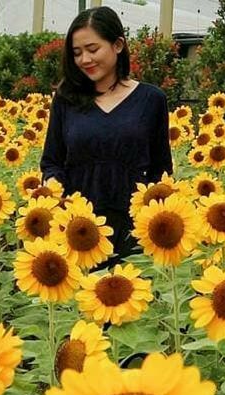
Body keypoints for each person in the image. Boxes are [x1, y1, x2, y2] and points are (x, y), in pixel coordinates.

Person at [40, 6, 173, 260]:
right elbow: (52, 161)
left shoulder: (151, 99)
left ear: (118, 45)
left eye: (92, 49)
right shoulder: (66, 99)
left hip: (135, 230)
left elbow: (161, 170)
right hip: (79, 231)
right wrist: (53, 188)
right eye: (77, 53)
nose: (84, 60)